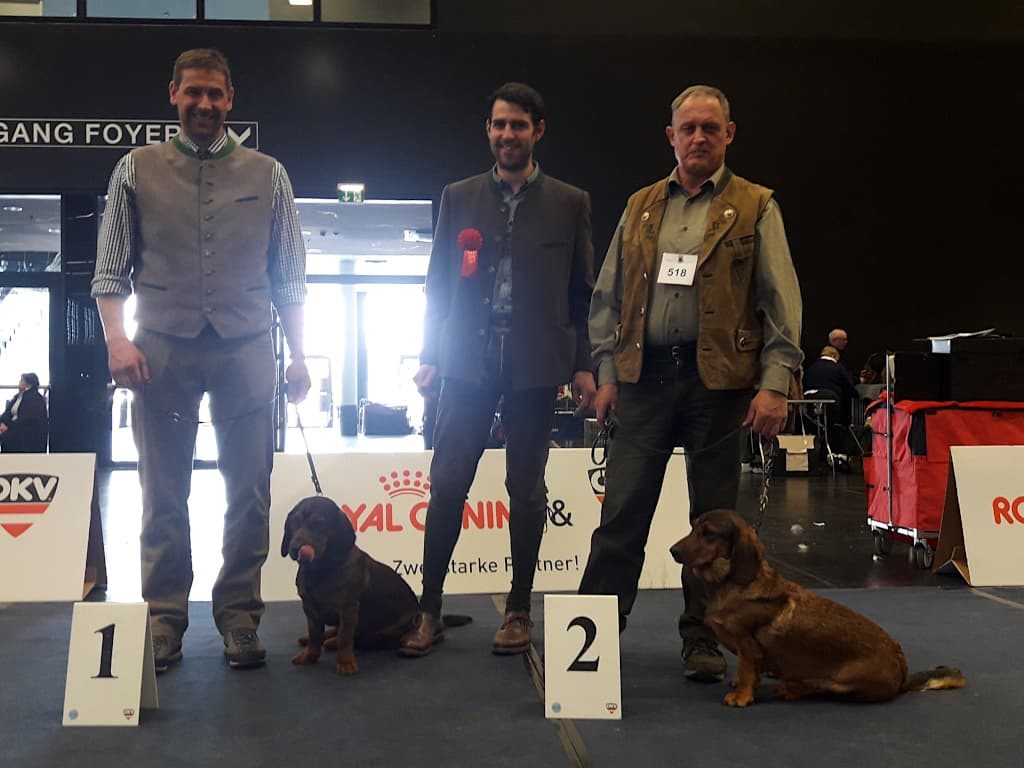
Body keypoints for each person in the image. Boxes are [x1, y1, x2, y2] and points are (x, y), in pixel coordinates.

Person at [91, 48, 310, 673]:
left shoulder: (270, 174)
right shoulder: (134, 169)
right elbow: (110, 269)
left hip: (247, 347)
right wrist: (115, 338)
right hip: (158, 347)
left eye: (215, 94)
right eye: (194, 93)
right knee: (162, 490)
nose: (205, 104)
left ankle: (240, 617)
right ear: (173, 94)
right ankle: (164, 619)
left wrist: (298, 355)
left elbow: (290, 277)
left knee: (250, 493)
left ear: (231, 98)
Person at [579, 85, 803, 682]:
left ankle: (702, 640)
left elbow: (781, 300)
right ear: (670, 135)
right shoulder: (641, 205)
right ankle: (589, 647)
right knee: (620, 517)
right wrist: (605, 373)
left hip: (721, 389)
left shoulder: (758, 206)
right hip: (643, 383)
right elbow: (606, 298)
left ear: (730, 134)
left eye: (710, 127)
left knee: (715, 526)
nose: (698, 137)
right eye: (688, 128)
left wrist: (775, 383)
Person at [400, 82, 596, 657]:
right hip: (464, 363)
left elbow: (581, 293)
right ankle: (428, 608)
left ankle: (518, 610)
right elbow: (437, 283)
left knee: (526, 490)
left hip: (536, 366)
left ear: (538, 130)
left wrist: (583, 366)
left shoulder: (570, 201)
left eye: (517, 125)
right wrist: (429, 353)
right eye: (497, 125)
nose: (506, 134)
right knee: (446, 483)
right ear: (487, 131)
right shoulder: (456, 196)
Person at [803, 345, 858, 424]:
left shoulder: (810, 367)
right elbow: (849, 386)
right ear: (833, 356)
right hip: (830, 401)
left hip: (808, 401)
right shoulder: (838, 368)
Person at [0, 373, 48, 453]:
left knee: (9, 436)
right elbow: (7, 413)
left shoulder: (35, 399)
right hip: (12, 427)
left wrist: (8, 426)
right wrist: (2, 423)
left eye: (22, 380)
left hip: (25, 432)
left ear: (29, 384)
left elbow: (27, 420)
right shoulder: (17, 397)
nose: (19, 382)